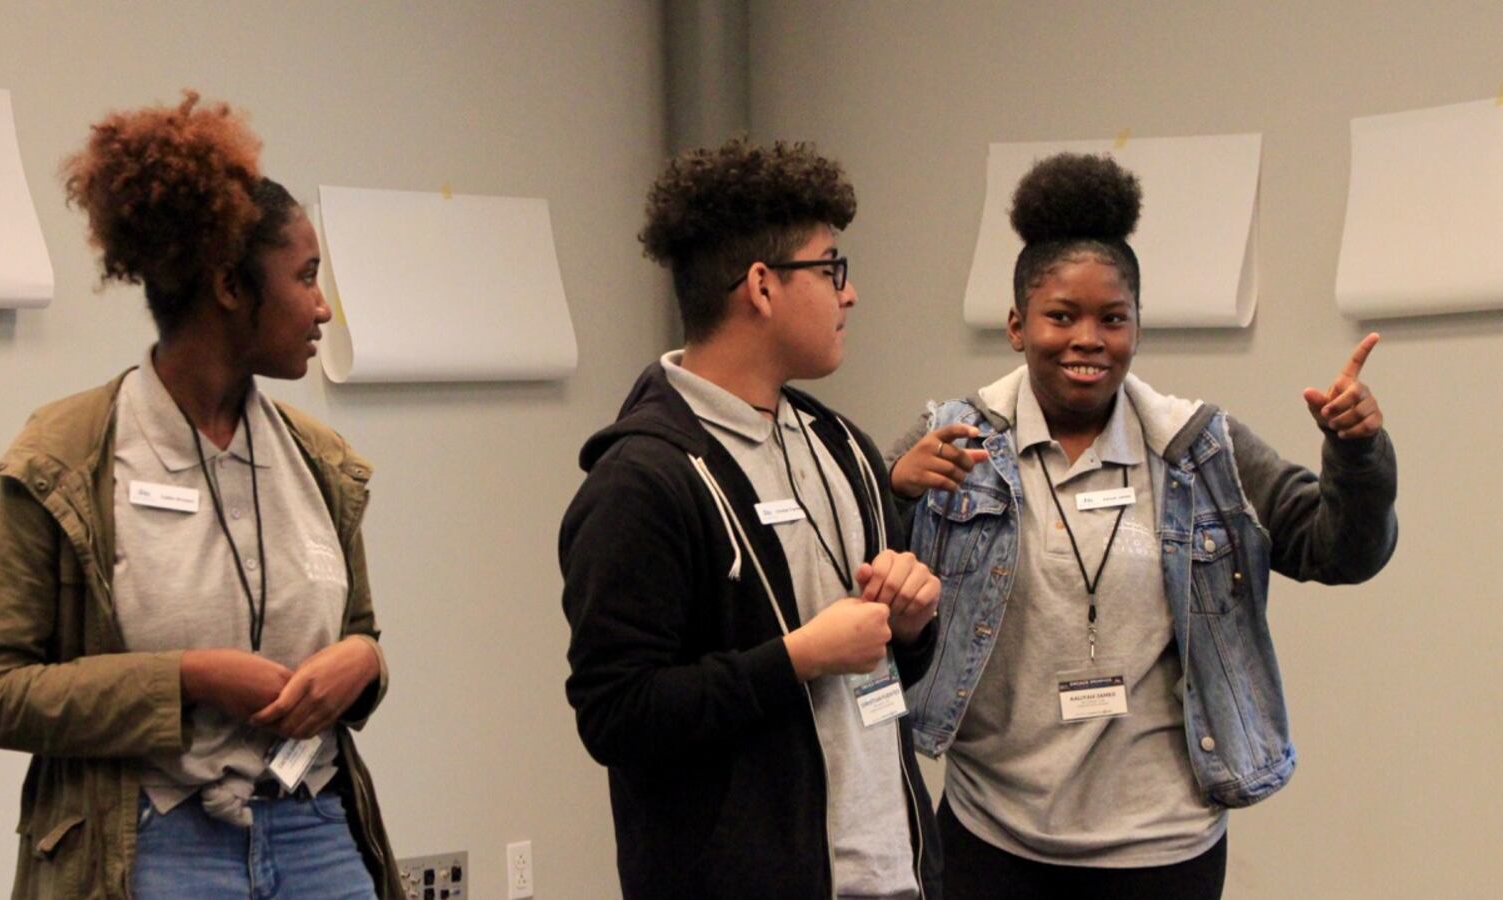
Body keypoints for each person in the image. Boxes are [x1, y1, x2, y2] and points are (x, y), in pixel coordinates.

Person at [888, 153, 1397, 899]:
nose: (1088, 339)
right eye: (1062, 316)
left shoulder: (1203, 447)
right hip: (991, 836)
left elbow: (1340, 551)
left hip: (1165, 850)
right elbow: (851, 560)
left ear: (1137, 327)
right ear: (1016, 326)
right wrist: (895, 491)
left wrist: (1357, 455)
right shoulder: (950, 440)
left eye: (1112, 318)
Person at [0, 93, 396, 899]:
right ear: (229, 286)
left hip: (315, 830)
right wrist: (186, 677)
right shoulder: (65, 458)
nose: (323, 306)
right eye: (305, 277)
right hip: (149, 845)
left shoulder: (322, 462)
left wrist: (364, 661)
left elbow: (356, 631)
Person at [560, 138, 943, 899]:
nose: (850, 292)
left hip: (891, 874)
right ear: (762, 287)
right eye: (831, 267)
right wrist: (796, 656)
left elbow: (892, 669)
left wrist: (911, 621)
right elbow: (617, 716)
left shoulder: (839, 443)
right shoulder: (641, 481)